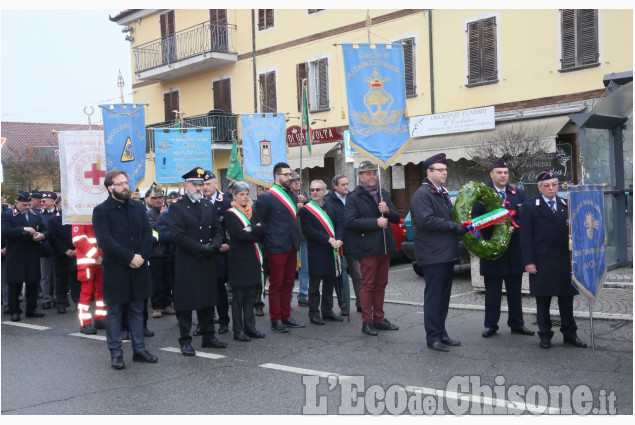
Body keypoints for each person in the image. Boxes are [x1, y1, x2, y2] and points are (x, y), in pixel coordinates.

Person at [92, 169, 158, 370]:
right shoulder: (102, 211)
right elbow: (105, 240)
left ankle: (139, 350)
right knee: (115, 312)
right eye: (119, 184)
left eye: (126, 182)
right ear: (110, 188)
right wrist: (129, 257)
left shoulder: (137, 207)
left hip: (138, 266)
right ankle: (116, 353)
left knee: (137, 310)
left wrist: (141, 256)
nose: (125, 186)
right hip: (116, 268)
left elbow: (148, 233)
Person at [520, 170, 587, 349]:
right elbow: (525, 237)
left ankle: (570, 334)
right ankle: (545, 335)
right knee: (543, 302)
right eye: (547, 185)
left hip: (565, 262)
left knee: (566, 301)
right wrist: (528, 262)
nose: (551, 188)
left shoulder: (567, 205)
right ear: (540, 188)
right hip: (542, 262)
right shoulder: (530, 207)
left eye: (554, 185)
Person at [409, 153, 467, 352]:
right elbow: (427, 221)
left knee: (443, 297)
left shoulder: (440, 192)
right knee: (434, 297)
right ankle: (433, 337)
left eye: (445, 169)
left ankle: (441, 333)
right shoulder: (422, 195)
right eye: (440, 170)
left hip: (444, 253)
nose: (444, 172)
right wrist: (453, 226)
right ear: (429, 172)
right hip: (433, 255)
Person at [168, 167, 227, 356]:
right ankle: (185, 340)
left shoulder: (208, 206)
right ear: (186, 185)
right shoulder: (177, 207)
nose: (198, 187)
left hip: (207, 260)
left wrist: (215, 245)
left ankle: (208, 336)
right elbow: (178, 236)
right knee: (186, 303)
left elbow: (218, 230)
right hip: (188, 261)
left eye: (201, 184)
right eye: (194, 183)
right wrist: (201, 248)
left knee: (208, 299)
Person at [476, 158, 535, 338]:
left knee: (515, 291)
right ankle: (491, 325)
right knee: (492, 292)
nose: (503, 176)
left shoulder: (518, 193)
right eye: (499, 173)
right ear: (491, 174)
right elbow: (474, 222)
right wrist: (494, 223)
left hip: (513, 251)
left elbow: (525, 219)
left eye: (505, 173)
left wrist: (512, 226)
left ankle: (517, 323)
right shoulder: (482, 195)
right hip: (492, 251)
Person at [345, 161, 401, 336]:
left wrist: (388, 211)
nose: (371, 176)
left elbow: (396, 217)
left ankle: (379, 318)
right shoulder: (354, 197)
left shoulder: (383, 194)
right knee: (368, 284)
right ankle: (367, 321)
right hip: (367, 246)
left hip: (384, 246)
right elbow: (350, 222)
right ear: (360, 176)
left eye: (373, 173)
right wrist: (375, 222)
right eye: (367, 173)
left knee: (381, 284)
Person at [255, 162, 306, 333]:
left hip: (291, 244)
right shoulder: (266, 197)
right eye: (286, 174)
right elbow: (259, 223)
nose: (289, 177)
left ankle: (286, 315)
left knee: (289, 282)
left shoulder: (292, 196)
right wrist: (266, 243)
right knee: (276, 283)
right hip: (275, 245)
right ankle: (275, 319)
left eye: (290, 174)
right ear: (277, 176)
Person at [225, 181, 267, 341]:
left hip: (252, 258)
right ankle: (238, 330)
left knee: (251, 296)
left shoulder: (252, 210)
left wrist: (251, 229)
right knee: (238, 297)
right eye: (241, 194)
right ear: (234, 196)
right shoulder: (230, 213)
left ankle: (251, 328)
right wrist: (254, 231)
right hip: (238, 260)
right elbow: (238, 234)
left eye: (246, 194)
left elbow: (263, 228)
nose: (245, 197)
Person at [300, 179, 344, 325]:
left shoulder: (331, 206)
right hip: (316, 251)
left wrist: (339, 239)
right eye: (312, 190)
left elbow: (339, 224)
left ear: (324, 191)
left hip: (332, 251)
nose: (314, 192)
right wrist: (328, 239)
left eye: (318, 189)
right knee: (314, 285)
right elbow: (309, 230)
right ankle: (314, 313)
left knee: (329, 283)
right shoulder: (306, 210)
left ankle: (327, 311)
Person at [1, 191, 47, 322]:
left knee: (33, 281)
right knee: (14, 284)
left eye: (29, 204)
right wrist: (24, 230)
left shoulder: (35, 215)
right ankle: (14, 311)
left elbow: (45, 229)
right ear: (17, 203)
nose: (27, 207)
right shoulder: (8, 215)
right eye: (24, 205)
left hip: (32, 253)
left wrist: (42, 236)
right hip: (15, 254)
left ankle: (31, 308)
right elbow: (5, 231)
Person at [325, 174, 362, 315]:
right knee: (340, 277)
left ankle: (361, 303)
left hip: (353, 242)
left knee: (358, 275)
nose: (346, 187)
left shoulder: (352, 198)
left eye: (347, 184)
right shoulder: (329, 200)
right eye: (343, 184)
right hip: (337, 244)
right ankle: (343, 305)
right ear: (335, 186)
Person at [202, 170, 232, 335]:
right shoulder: (198, 202)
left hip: (221, 251)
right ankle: (204, 322)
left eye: (207, 184)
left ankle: (223, 321)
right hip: (204, 251)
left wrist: (225, 244)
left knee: (220, 288)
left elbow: (230, 228)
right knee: (204, 289)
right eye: (203, 185)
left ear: (215, 184)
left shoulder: (225, 203)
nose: (205, 187)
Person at [146, 185, 175, 319]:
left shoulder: (169, 211)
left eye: (160, 198)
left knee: (167, 280)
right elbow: (151, 229)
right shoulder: (148, 214)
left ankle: (167, 303)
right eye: (155, 198)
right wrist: (161, 217)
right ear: (150, 200)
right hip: (155, 253)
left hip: (168, 251)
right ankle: (157, 306)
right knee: (156, 280)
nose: (158, 201)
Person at [47, 202, 81, 314]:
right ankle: (61, 303)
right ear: (59, 206)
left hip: (76, 252)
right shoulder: (53, 220)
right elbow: (52, 237)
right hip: (60, 254)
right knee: (60, 279)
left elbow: (82, 235)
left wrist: (77, 249)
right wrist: (65, 250)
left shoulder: (78, 219)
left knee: (77, 279)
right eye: (63, 204)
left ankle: (78, 303)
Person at [73, 224, 106, 334]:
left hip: (101, 260)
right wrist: (96, 256)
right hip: (87, 262)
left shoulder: (98, 215)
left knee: (101, 290)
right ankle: (85, 323)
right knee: (86, 293)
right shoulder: (79, 217)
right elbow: (78, 240)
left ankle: (100, 318)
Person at [290, 171, 309, 306]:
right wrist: (297, 209)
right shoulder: (287, 196)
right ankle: (288, 297)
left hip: (304, 238)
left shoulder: (305, 195)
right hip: (291, 239)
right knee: (291, 270)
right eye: (294, 180)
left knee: (305, 269)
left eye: (298, 180)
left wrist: (306, 204)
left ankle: (303, 295)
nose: (297, 182)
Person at [38, 191, 58, 309]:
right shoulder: (39, 214)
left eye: (44, 201)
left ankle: (57, 297)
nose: (42, 203)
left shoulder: (60, 213)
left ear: (52, 201)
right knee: (45, 276)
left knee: (57, 275)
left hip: (57, 249)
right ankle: (46, 299)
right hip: (44, 248)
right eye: (41, 201)